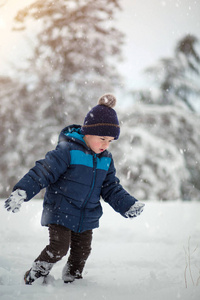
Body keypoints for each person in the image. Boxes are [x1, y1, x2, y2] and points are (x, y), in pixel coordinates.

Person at [4, 94, 145, 285]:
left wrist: (127, 204)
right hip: (61, 210)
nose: (105, 144)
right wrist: (23, 191)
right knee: (59, 247)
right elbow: (43, 172)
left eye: (110, 141)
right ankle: (35, 274)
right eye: (102, 138)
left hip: (86, 215)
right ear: (87, 132)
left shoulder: (106, 159)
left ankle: (73, 280)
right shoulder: (68, 151)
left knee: (82, 251)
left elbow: (111, 188)